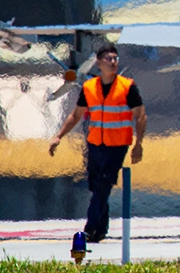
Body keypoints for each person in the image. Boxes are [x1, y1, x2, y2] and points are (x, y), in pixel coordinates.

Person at [49, 43, 146, 243]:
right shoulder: (89, 88)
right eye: (109, 59)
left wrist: (138, 144)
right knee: (97, 187)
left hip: (118, 145)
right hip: (95, 144)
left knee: (104, 184)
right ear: (99, 63)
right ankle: (100, 230)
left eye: (115, 59)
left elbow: (141, 116)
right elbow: (76, 115)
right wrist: (59, 136)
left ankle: (90, 228)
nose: (113, 62)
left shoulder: (127, 87)